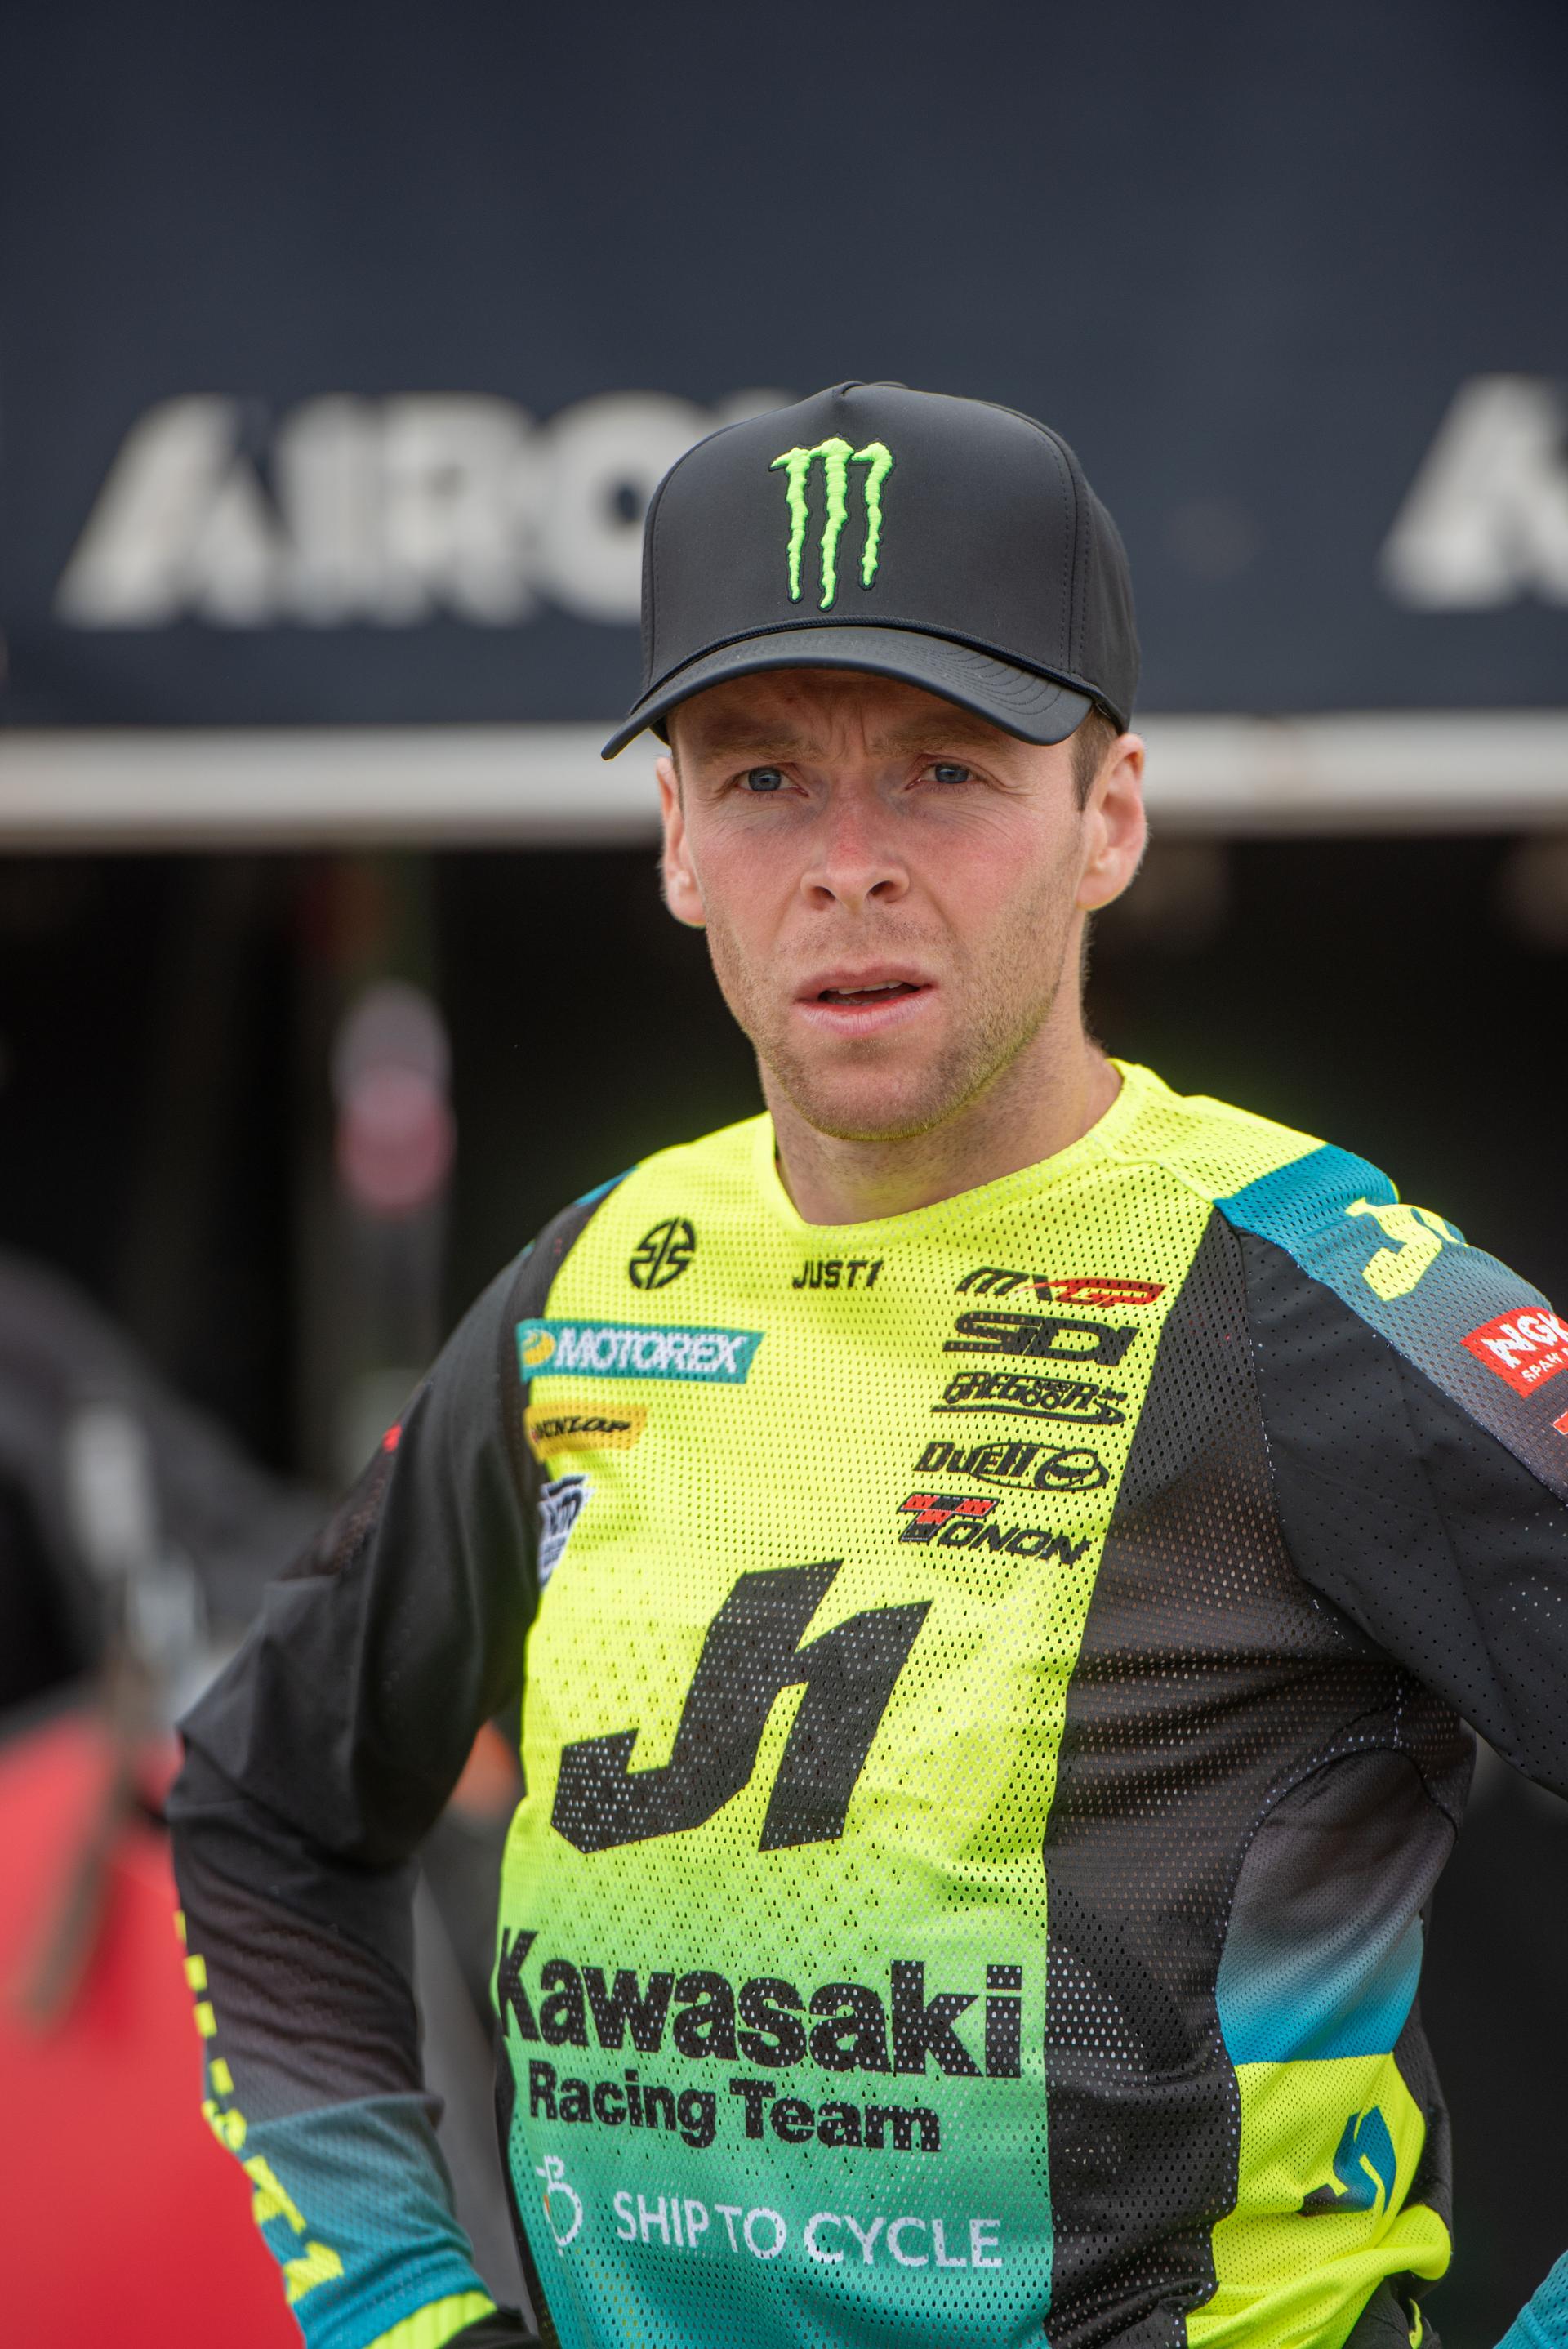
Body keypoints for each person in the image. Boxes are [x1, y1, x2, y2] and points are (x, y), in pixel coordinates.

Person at [168, 382, 1568, 2349]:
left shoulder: (1312, 1294)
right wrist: (399, 2299)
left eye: (942, 770)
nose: (848, 863)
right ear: (675, 839)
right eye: (761, 777)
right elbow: (263, 1806)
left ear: (1110, 816)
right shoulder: (595, 1277)